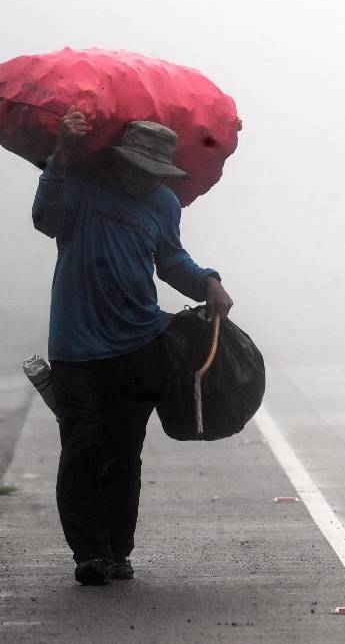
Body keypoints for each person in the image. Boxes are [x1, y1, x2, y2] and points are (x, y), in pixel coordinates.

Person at [32, 107, 233, 586]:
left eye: (157, 174)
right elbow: (44, 219)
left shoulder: (163, 204)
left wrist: (208, 282)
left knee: (125, 451)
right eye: (140, 170)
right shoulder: (79, 185)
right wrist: (60, 153)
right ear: (120, 161)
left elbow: (171, 260)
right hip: (76, 347)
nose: (148, 181)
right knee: (82, 447)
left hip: (141, 342)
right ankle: (89, 552)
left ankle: (118, 551)